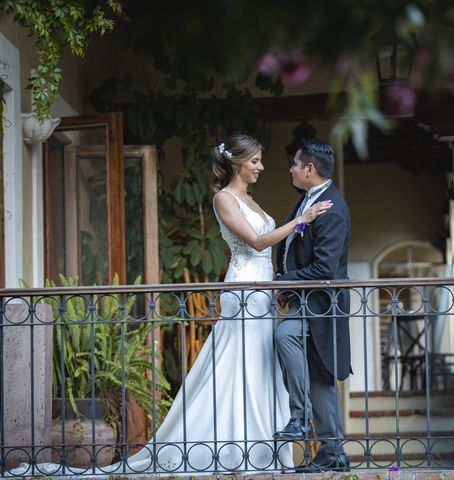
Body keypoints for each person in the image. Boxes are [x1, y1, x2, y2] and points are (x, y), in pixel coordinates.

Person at [10, 134, 332, 476]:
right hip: (243, 290)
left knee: (263, 366)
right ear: (238, 163)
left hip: (263, 291)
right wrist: (302, 219)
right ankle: (232, 448)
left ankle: (262, 448)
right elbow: (254, 241)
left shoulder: (249, 199)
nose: (261, 167)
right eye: (255, 161)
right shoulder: (223, 199)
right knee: (241, 364)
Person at [273, 138, 351, 472]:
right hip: (304, 300)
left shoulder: (332, 208)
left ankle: (300, 417)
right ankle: (334, 454)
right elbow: (294, 247)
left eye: (294, 163)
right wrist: (285, 280)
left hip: (321, 304)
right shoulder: (309, 200)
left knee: (285, 335)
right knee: (320, 379)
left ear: (309, 168)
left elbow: (324, 268)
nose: (290, 169)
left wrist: (284, 283)